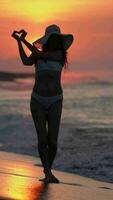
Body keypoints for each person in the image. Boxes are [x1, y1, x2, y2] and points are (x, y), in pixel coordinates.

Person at [11, 24, 74, 183]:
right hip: (38, 99)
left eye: (56, 38)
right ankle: (47, 173)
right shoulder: (38, 55)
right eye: (51, 38)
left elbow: (42, 55)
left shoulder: (60, 54)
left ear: (58, 40)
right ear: (47, 39)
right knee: (42, 140)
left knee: (52, 142)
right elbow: (26, 61)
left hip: (55, 100)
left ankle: (48, 169)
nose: (53, 40)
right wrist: (20, 42)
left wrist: (25, 40)